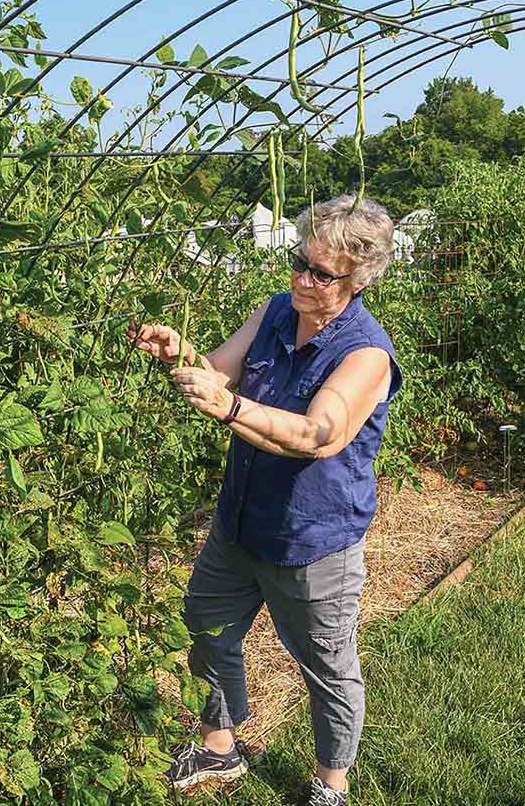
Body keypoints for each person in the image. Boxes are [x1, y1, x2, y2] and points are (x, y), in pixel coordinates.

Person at [128, 193, 403, 806]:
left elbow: (316, 435)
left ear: (358, 281)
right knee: (208, 624)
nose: (302, 279)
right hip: (241, 519)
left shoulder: (364, 353)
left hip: (311, 539)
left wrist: (228, 407)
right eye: (300, 262)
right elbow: (221, 371)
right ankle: (220, 745)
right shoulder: (277, 310)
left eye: (321, 274)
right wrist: (182, 356)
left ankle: (332, 782)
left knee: (325, 667)